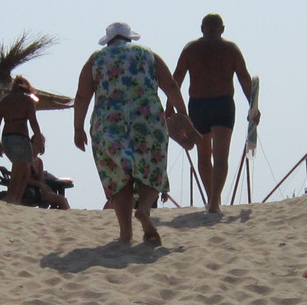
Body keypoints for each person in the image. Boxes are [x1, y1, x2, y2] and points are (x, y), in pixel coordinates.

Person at [74, 22, 190, 246]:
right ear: (129, 39)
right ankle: (144, 208)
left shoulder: (96, 59)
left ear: (108, 41)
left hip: (108, 124)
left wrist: (77, 128)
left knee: (118, 176)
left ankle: (126, 233)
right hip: (147, 121)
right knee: (152, 167)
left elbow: (82, 96)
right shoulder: (148, 55)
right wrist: (183, 116)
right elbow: (171, 86)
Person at [172, 13, 259, 216]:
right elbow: (244, 78)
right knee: (219, 156)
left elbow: (176, 78)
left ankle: (214, 199)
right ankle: (214, 201)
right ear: (222, 28)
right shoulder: (230, 49)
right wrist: (252, 107)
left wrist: (171, 107)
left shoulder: (191, 49)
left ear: (202, 28)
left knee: (206, 155)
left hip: (202, 105)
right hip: (220, 104)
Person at [0, 75, 46, 208]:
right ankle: (13, 199)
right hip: (20, 138)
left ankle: (15, 199)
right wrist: (39, 139)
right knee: (20, 171)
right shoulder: (27, 100)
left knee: (22, 169)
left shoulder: (3, 101)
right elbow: (33, 122)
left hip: (7, 138)